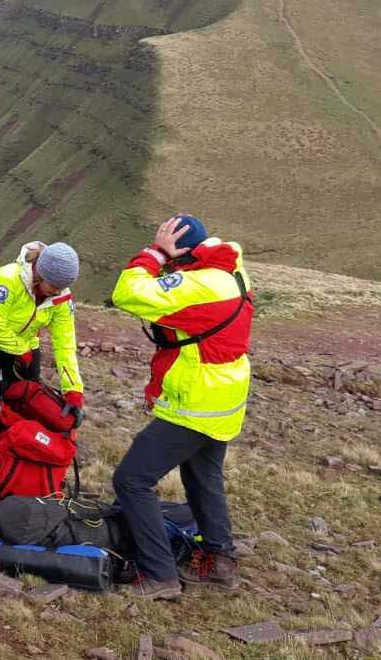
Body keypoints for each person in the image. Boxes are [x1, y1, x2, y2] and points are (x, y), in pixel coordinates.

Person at [110, 215, 253, 600]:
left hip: (195, 398)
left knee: (131, 480)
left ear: (183, 255)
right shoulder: (229, 273)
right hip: (226, 397)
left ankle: (159, 575)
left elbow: (128, 292)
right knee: (202, 477)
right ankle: (219, 561)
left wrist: (155, 253)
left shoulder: (198, 286)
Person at [0, 241, 85, 476]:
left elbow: (65, 345)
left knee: (27, 409)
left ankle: (12, 469)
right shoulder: (6, 279)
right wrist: (21, 351)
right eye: (54, 286)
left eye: (62, 287)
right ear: (40, 273)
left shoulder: (61, 297)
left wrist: (74, 391)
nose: (57, 292)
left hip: (25, 345)